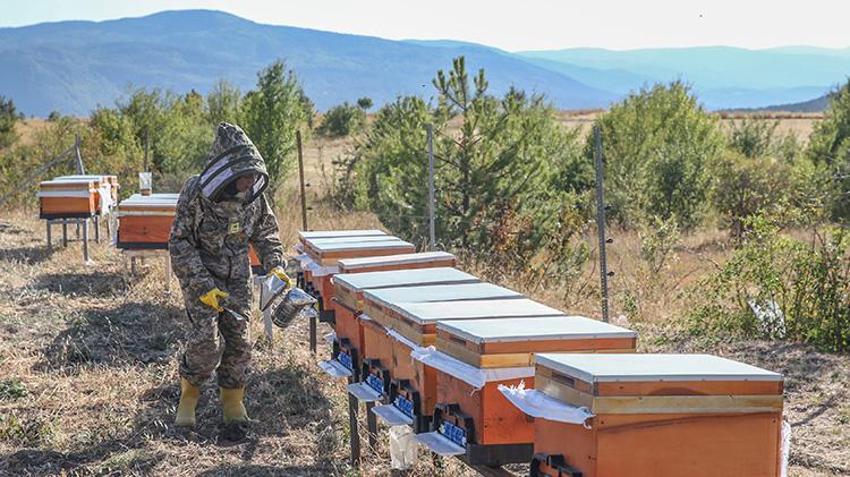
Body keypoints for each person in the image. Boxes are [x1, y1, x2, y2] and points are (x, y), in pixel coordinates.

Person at [168, 122, 292, 432]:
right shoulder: (195, 193)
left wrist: (275, 265)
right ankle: (188, 397)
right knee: (206, 343)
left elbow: (266, 233)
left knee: (240, 341)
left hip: (238, 278)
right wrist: (202, 286)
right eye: (244, 174)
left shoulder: (254, 197)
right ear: (226, 172)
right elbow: (180, 243)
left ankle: (233, 403)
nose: (250, 180)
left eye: (253, 174)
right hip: (201, 277)